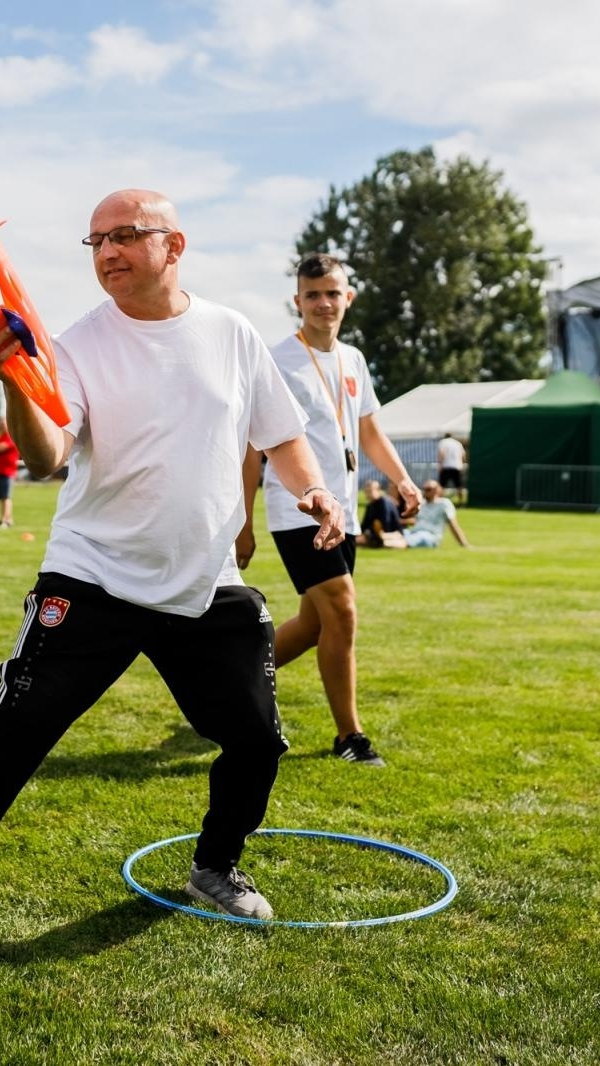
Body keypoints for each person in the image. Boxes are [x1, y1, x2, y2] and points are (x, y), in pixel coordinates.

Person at [0, 189, 345, 977]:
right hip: (93, 578)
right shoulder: (77, 344)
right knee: (12, 736)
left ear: (174, 244)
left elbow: (281, 434)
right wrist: (15, 378)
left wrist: (314, 488)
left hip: (205, 581)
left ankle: (215, 865)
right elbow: (48, 455)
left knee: (256, 739)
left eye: (125, 236)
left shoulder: (232, 334)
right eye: (95, 241)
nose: (107, 252)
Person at [238, 253, 419, 769]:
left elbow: (368, 432)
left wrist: (401, 478)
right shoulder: (276, 361)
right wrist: (244, 525)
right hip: (297, 511)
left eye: (332, 293)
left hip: (345, 515)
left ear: (348, 298)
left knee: (316, 624)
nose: (323, 303)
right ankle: (350, 737)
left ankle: (229, 681)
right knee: (343, 610)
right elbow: (254, 450)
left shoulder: (354, 360)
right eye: (312, 294)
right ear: (297, 301)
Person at [405, 480, 471, 548]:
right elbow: (415, 521)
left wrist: (464, 544)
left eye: (428, 489)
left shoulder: (444, 504)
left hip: (431, 536)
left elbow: (453, 525)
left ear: (437, 490)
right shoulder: (421, 504)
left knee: (412, 538)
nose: (425, 491)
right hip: (414, 532)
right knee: (398, 533)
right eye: (424, 489)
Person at [0, 417, 21, 527]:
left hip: (8, 472)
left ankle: (6, 520)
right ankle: (5, 518)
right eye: (0, 423)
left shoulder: (11, 436)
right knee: (2, 497)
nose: (2, 425)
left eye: (4, 423)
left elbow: (0, 448)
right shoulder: (0, 437)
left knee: (6, 497)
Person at [357, 480, 407, 549]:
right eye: (366, 491)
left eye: (370, 491)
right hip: (377, 534)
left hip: (393, 534)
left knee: (381, 540)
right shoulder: (370, 506)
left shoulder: (384, 503)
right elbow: (364, 525)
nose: (368, 494)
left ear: (379, 490)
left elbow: (386, 526)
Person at [437, 432, 467, 501]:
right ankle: (461, 502)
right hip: (457, 467)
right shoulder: (458, 443)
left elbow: (442, 454)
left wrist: (440, 465)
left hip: (446, 466)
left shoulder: (443, 442)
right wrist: (461, 464)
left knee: (442, 486)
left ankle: (440, 501)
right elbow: (463, 455)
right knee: (459, 486)